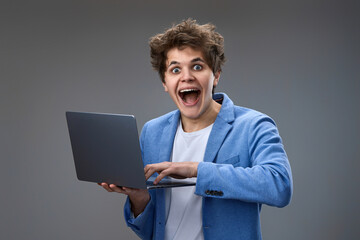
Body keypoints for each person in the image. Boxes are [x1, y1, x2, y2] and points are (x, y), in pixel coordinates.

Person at [99, 19, 293, 240]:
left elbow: (280, 186)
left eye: (197, 66)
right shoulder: (152, 132)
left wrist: (196, 169)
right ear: (165, 81)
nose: (186, 76)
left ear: (216, 75)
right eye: (175, 69)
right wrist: (139, 197)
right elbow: (150, 230)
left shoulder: (253, 126)